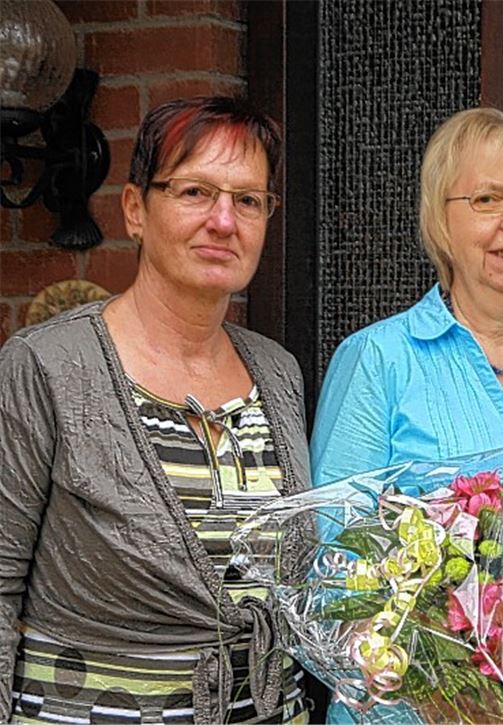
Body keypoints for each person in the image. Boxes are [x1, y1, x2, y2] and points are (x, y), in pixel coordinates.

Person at [0, 97, 310, 723]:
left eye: (249, 200)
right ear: (136, 209)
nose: (224, 220)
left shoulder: (278, 372)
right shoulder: (47, 365)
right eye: (195, 191)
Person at [310, 107, 503, 722]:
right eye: (486, 199)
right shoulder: (379, 359)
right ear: (441, 222)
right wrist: (449, 686)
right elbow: (332, 562)